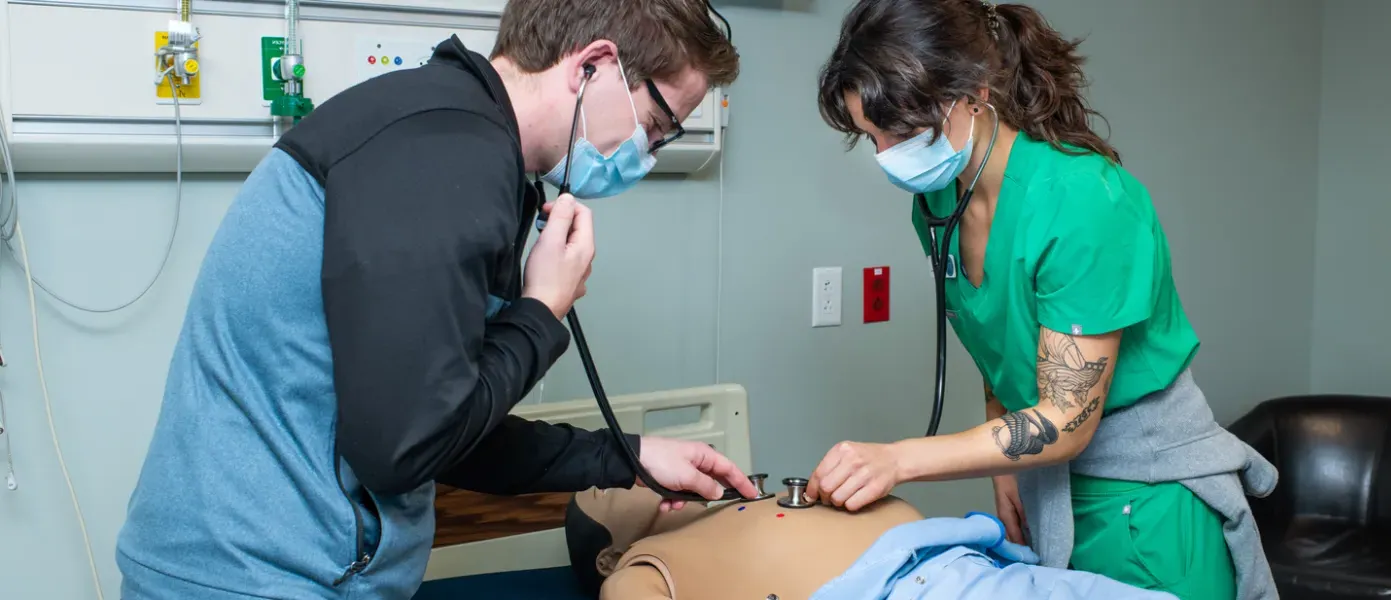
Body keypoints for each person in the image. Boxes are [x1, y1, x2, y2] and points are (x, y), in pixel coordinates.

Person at [115, 1, 757, 598]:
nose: (648, 153)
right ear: (591, 65)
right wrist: (540, 312)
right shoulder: (445, 156)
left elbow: (443, 420)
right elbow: (406, 449)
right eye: (656, 125)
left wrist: (627, 457)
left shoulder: (450, 137)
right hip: (253, 577)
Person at [806, 1, 1279, 599]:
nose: (886, 157)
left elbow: (1068, 418)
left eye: (900, 133)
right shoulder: (936, 208)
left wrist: (898, 460)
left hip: (1144, 501)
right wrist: (1006, 466)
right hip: (1044, 484)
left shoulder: (1082, 199)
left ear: (973, 91)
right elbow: (998, 346)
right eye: (871, 138)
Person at [565, 484, 1176, 599]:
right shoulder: (639, 566)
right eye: (604, 487)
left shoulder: (737, 505)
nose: (628, 472)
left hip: (972, 566)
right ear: (607, 550)